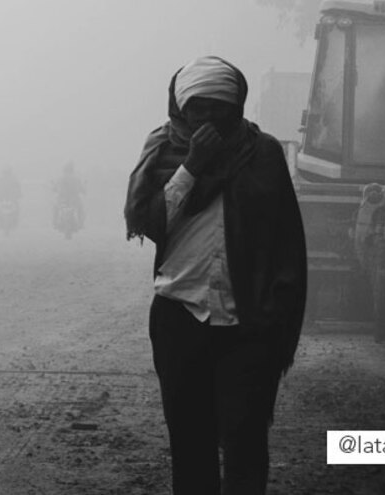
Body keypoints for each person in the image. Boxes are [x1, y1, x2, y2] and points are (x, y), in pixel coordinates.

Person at [123, 56, 307, 495]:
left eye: (217, 109)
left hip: (249, 322)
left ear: (237, 108)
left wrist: (278, 314)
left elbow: (285, 236)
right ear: (180, 108)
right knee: (190, 443)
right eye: (196, 109)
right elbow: (149, 221)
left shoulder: (262, 153)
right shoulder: (163, 150)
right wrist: (193, 165)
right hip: (178, 317)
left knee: (245, 442)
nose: (206, 118)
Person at [52, 161, 86, 233]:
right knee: (81, 209)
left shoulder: (60, 178)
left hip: (62, 200)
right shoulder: (77, 178)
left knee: (55, 208)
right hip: (74, 200)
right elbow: (82, 189)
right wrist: (84, 191)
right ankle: (81, 223)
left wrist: (55, 189)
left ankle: (54, 223)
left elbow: (54, 188)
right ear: (72, 169)